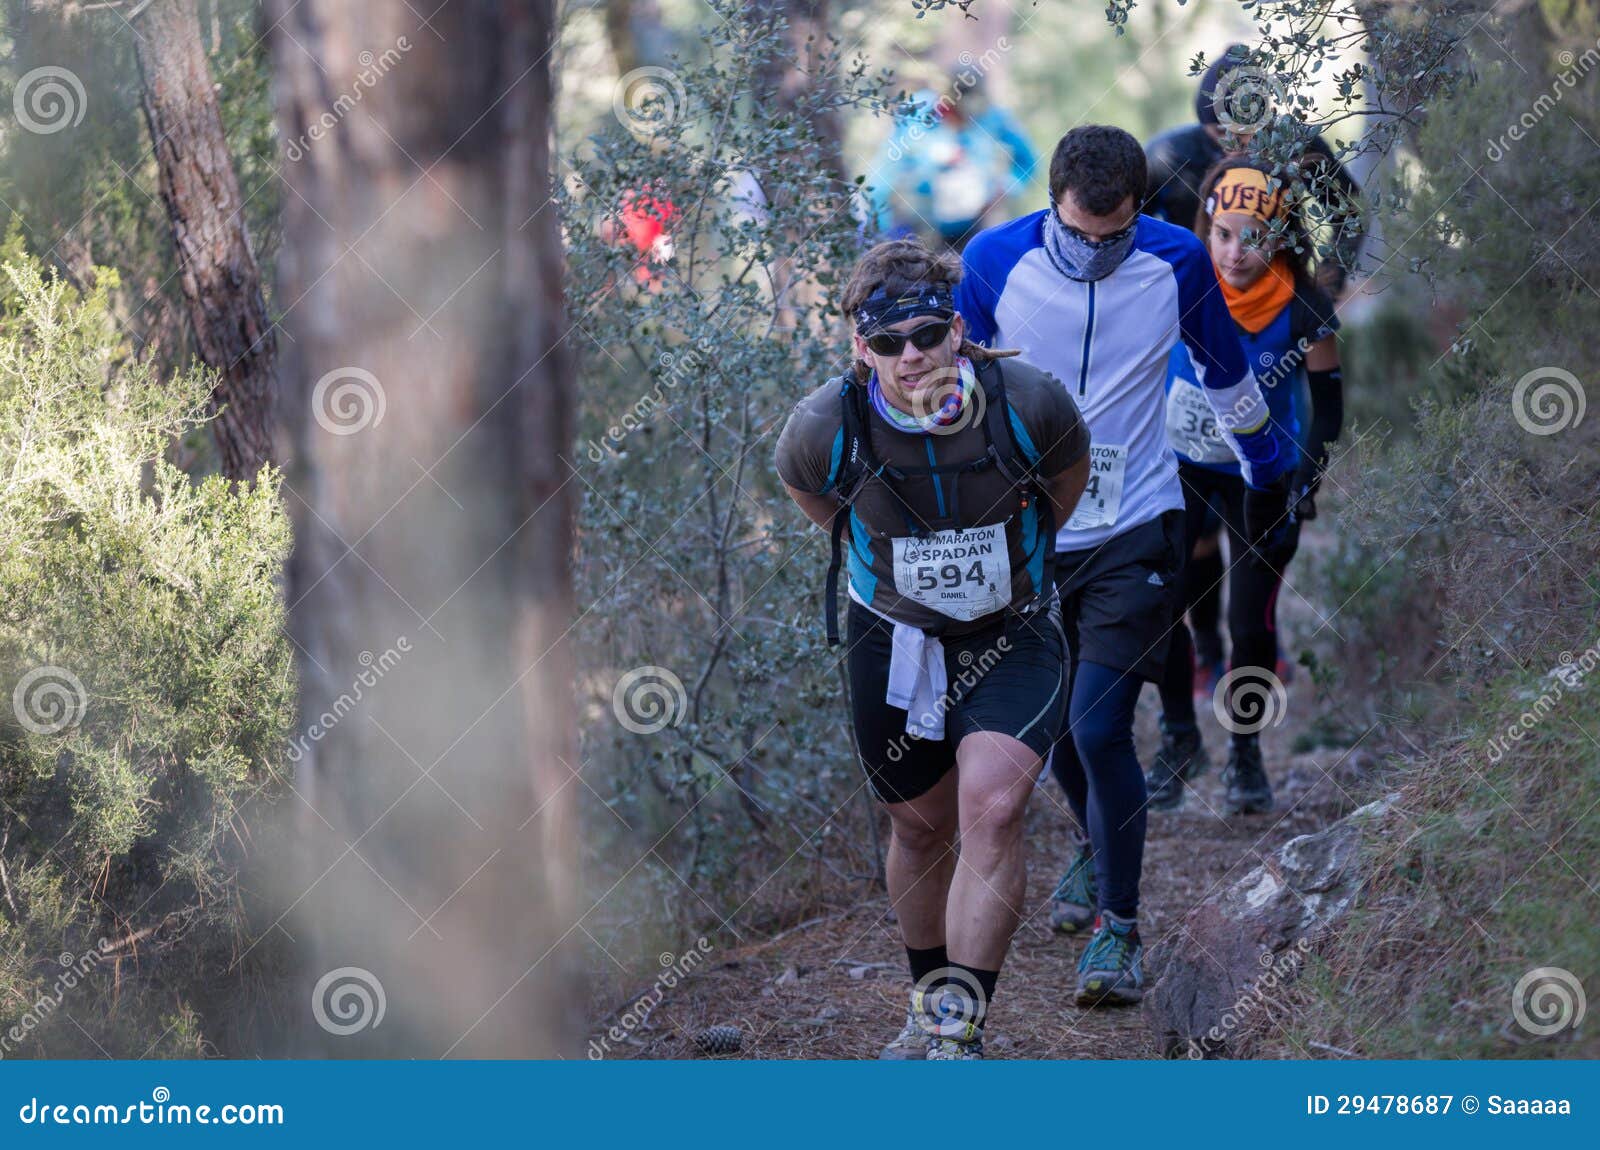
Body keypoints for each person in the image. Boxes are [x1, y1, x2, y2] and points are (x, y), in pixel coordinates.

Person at [955, 125, 1295, 1006]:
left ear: (1139, 210)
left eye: (1116, 237)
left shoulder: (1178, 261)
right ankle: (1095, 840)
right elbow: (951, 386)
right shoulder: (994, 260)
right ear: (1053, 204)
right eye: (1079, 236)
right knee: (1060, 731)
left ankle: (1118, 932)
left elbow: (1225, 373)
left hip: (1138, 524)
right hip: (1028, 541)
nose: (1098, 254)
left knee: (1101, 727)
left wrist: (1271, 470)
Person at [775, 239, 1091, 1058]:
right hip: (893, 635)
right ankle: (924, 1002)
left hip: (1012, 630)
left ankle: (958, 1030)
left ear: (956, 330)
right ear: (860, 346)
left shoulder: (1029, 401)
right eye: (887, 342)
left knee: (992, 807)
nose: (910, 356)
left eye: (925, 335)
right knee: (917, 827)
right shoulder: (824, 425)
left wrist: (1009, 566)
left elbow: (1066, 479)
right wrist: (900, 578)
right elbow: (812, 496)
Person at [1146, 159, 1345, 815]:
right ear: (1204, 229)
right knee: (1161, 606)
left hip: (1263, 480)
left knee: (1248, 624)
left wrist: (1304, 479)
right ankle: (1180, 738)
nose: (1235, 253)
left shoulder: (1302, 303)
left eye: (1252, 236)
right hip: (1182, 474)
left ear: (1279, 237)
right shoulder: (1180, 282)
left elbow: (1328, 408)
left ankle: (1246, 752)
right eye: (1223, 234)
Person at [1143, 44, 1365, 298]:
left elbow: (1351, 215)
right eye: (1221, 133)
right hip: (1193, 297)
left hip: (1279, 300)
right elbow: (1129, 225)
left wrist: (1323, 290)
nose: (1235, 144)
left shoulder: (1295, 145)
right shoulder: (1167, 155)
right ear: (1204, 124)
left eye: (1245, 130)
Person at [867, 83, 1037, 251]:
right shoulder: (917, 112)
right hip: (916, 226)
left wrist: (1005, 188)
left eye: (972, 120)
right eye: (956, 115)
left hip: (971, 227)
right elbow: (883, 175)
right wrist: (881, 234)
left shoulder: (992, 116)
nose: (963, 125)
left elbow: (1028, 161)